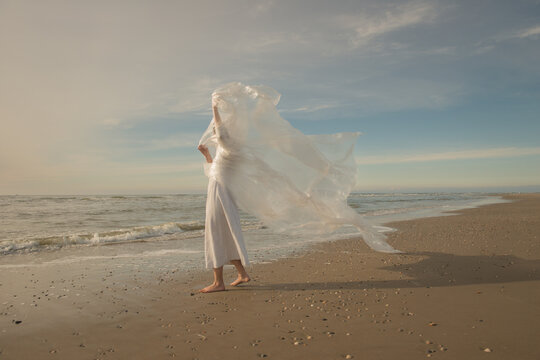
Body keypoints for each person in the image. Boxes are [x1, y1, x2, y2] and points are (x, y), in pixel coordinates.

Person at [197, 102, 250, 293]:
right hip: (218, 194)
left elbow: (221, 131)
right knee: (224, 234)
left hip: (221, 196)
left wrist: (214, 108)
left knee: (215, 233)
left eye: (215, 129)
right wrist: (207, 155)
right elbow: (215, 172)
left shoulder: (230, 146)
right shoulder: (224, 152)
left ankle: (218, 282)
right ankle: (242, 274)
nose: (213, 132)